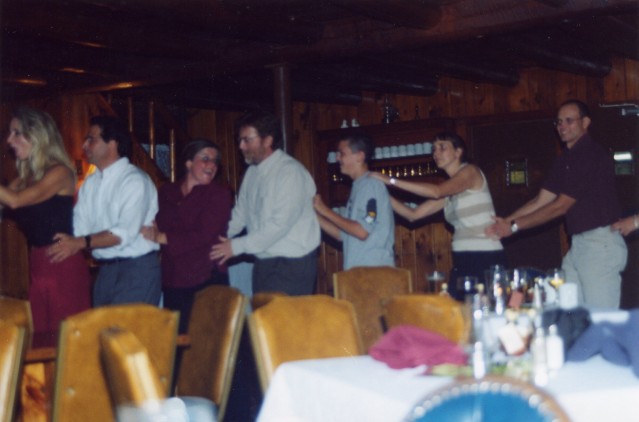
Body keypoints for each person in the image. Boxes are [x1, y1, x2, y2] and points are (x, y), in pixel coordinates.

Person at [486, 99, 627, 308]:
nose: (562, 126)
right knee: (570, 311)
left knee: (601, 318)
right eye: (559, 122)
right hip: (579, 245)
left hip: (600, 244)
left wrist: (514, 226)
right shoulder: (566, 159)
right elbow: (541, 200)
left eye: (569, 120)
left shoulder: (590, 154)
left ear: (585, 122)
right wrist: (505, 222)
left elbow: (560, 206)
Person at [371, 132, 505, 300]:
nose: (436, 153)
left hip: (484, 256)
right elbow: (413, 214)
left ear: (458, 152)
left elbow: (436, 191)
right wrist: (382, 192)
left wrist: (390, 180)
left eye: (442, 147)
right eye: (434, 149)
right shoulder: (451, 190)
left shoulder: (470, 171)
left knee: (482, 311)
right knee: (453, 311)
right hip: (462, 258)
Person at [48, 115, 162, 306]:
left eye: (91, 139)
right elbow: (78, 229)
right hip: (106, 272)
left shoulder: (134, 181)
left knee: (126, 327)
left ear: (113, 143)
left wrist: (80, 242)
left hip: (137, 270)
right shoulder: (91, 183)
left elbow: (123, 234)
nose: (84, 145)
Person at [0, 107, 90, 334]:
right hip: (38, 263)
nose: (9, 140)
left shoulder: (60, 172)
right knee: (39, 340)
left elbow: (16, 201)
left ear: (37, 135)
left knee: (65, 341)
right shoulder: (23, 180)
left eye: (16, 133)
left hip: (62, 264)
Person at [210, 111, 320, 295]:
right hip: (264, 262)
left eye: (247, 140)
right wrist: (214, 238)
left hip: (291, 264)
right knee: (261, 314)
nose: (241, 146)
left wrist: (235, 246)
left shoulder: (290, 172)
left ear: (267, 140)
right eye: (240, 140)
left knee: (283, 315)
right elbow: (240, 215)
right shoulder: (252, 172)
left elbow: (279, 225)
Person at [142, 139, 232, 333]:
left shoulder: (219, 195)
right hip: (173, 277)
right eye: (205, 158)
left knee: (207, 340)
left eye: (215, 161)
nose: (211, 165)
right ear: (189, 162)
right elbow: (155, 223)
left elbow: (203, 235)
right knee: (177, 340)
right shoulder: (167, 192)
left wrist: (162, 237)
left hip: (206, 277)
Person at [313, 133, 395, 269]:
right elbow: (342, 235)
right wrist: (314, 215)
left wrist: (325, 210)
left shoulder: (370, 185)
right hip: (360, 272)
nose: (337, 157)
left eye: (342, 153)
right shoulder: (359, 186)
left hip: (375, 272)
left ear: (360, 156)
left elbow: (362, 232)